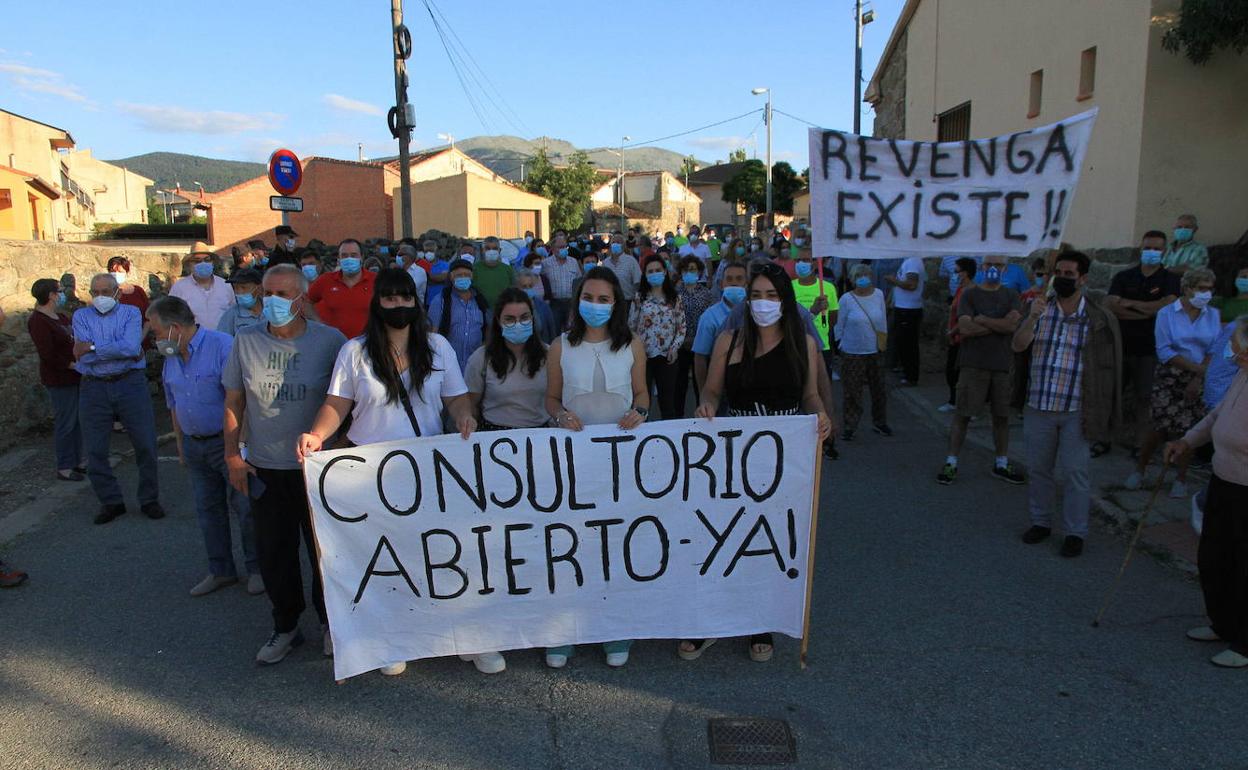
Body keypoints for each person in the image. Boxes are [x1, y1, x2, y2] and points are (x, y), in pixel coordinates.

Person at [297, 269, 486, 675]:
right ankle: (392, 638)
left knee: (439, 553)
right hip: (371, 469)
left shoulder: (437, 347)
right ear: (377, 302)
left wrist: (464, 416)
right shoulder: (355, 351)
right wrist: (317, 434)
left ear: (416, 301)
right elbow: (337, 404)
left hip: (425, 466)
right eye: (390, 298)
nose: (398, 305)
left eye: (405, 297)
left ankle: (460, 634)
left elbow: (456, 397)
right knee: (386, 557)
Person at [686, 261, 832, 663]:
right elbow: (711, 391)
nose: (763, 303)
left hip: (783, 460)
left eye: (771, 295)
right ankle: (711, 620)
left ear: (785, 300)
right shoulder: (729, 341)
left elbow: (810, 395)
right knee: (721, 538)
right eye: (756, 295)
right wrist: (706, 406)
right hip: (734, 455)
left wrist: (821, 415)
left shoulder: (803, 344)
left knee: (766, 543)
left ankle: (759, 622)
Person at [223, 264, 347, 665]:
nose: (271, 302)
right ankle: (286, 626)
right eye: (267, 294)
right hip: (266, 467)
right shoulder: (246, 340)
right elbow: (234, 401)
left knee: (325, 554)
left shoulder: (330, 341)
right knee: (275, 553)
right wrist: (232, 455)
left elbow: (347, 400)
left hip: (317, 469)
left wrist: (342, 448)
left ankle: (332, 623)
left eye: (282, 294)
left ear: (301, 298)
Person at [543, 266, 649, 669]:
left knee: (615, 542)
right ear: (578, 301)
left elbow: (642, 393)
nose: (596, 305)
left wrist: (640, 412)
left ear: (616, 303)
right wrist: (559, 416)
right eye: (589, 297)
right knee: (570, 541)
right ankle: (564, 631)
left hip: (620, 458)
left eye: (604, 299)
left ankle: (614, 628)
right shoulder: (560, 347)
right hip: (573, 459)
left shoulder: (632, 344)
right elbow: (551, 399)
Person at [148, 296, 262, 596]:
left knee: (245, 508)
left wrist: (238, 448)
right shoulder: (172, 356)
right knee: (207, 510)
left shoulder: (222, 346)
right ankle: (221, 570)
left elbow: (240, 400)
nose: (154, 339)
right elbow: (174, 403)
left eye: (156, 332)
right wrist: (181, 445)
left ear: (174, 328)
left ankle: (258, 569)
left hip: (226, 443)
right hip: (195, 445)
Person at [1013, 251, 1122, 558]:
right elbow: (1017, 346)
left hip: (1077, 408)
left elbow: (1108, 368)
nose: (1061, 278)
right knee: (1039, 469)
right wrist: (1032, 318)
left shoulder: (1098, 318)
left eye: (1069, 274)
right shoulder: (1038, 309)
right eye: (1058, 273)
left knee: (1075, 472)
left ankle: (1075, 532)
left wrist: (1104, 409)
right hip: (1039, 404)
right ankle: (1041, 522)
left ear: (1083, 279)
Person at [1165, 317, 1248, 667]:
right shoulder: (1242, 375)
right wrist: (1187, 441)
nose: (1233, 352)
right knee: (1215, 557)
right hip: (1223, 480)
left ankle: (1244, 644)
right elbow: (1217, 416)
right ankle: (1223, 624)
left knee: (1243, 566)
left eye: (1238, 347)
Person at [72, 273, 164, 524]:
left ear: (117, 293)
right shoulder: (81, 316)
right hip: (94, 387)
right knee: (95, 450)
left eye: (105, 291)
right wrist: (113, 349)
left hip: (129, 383)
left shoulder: (131, 313)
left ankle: (149, 499)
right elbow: (84, 356)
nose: (100, 297)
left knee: (145, 444)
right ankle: (111, 501)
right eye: (95, 292)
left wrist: (93, 347)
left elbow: (131, 347)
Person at [1128, 267, 1221, 498]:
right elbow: (1164, 350)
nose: (1206, 294)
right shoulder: (1167, 313)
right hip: (1170, 374)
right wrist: (1197, 369)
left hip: (1199, 376)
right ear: (1187, 288)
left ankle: (1180, 478)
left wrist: (1198, 377)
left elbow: (1214, 348)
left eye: (1210, 289)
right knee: (1158, 427)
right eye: (1201, 288)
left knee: (1189, 431)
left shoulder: (1213, 315)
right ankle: (1140, 469)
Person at [937, 254, 1025, 486]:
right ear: (982, 266)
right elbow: (965, 328)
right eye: (989, 264)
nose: (993, 268)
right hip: (973, 364)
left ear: (1005, 268)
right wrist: (999, 324)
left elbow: (1013, 325)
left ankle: (1001, 463)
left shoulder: (1011, 295)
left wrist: (982, 319)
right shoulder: (970, 294)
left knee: (1001, 417)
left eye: (999, 265)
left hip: (1001, 365)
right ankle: (951, 462)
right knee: (963, 414)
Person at [1106, 230, 1181, 458]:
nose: (1152, 252)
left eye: (1157, 248)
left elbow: (1166, 307)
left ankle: (1140, 445)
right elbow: (1111, 305)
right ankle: (1103, 439)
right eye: (1148, 248)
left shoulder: (1170, 279)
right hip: (1120, 346)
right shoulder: (1124, 276)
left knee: (1144, 398)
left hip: (1150, 348)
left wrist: (1129, 304)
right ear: (1141, 248)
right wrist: (1148, 311)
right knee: (1112, 395)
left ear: (1164, 251)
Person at [465, 287, 550, 431]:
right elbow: (470, 405)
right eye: (510, 319)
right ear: (499, 321)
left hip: (540, 434)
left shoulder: (549, 354)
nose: (518, 324)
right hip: (495, 434)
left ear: (532, 318)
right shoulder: (480, 358)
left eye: (524, 318)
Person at [28, 278, 84, 481]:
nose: (61, 294)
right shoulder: (38, 321)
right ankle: (65, 466)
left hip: (74, 375)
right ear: (51, 295)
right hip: (60, 378)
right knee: (66, 421)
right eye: (58, 291)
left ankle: (77, 460)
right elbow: (47, 354)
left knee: (77, 420)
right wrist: (71, 365)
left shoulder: (59, 317)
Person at [835, 264, 889, 441]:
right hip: (852, 351)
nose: (863, 278)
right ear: (853, 279)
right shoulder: (846, 299)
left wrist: (883, 342)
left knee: (879, 389)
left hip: (875, 349)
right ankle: (850, 425)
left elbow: (882, 320)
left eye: (865, 275)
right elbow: (839, 324)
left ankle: (880, 422)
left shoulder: (879, 295)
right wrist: (840, 344)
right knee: (852, 391)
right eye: (858, 276)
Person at [629, 255, 687, 420]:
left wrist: (674, 348)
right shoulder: (639, 298)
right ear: (645, 275)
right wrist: (635, 352)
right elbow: (631, 327)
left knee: (667, 403)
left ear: (665, 272)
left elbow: (681, 327)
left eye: (658, 270)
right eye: (650, 271)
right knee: (641, 404)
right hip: (643, 358)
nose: (654, 274)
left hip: (667, 357)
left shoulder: (675, 298)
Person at [693, 261, 750, 392]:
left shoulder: (756, 312)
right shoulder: (709, 317)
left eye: (739, 279)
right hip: (721, 387)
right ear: (721, 284)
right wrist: (704, 393)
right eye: (729, 279)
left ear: (747, 284)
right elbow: (700, 357)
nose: (734, 283)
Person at [428, 258, 490, 372]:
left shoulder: (480, 301)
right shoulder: (440, 301)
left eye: (466, 275)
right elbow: (433, 334)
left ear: (472, 276)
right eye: (459, 275)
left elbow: (487, 330)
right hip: (448, 366)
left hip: (475, 366)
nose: (463, 278)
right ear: (451, 277)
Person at [307, 239, 376, 339]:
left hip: (367, 343)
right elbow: (306, 301)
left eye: (353, 255)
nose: (349, 259)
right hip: (333, 344)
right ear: (338, 259)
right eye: (344, 255)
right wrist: (318, 322)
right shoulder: (326, 280)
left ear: (362, 257)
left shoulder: (376, 281)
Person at [675, 256, 715, 416]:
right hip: (680, 344)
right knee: (679, 384)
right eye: (685, 270)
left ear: (699, 272)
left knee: (701, 383)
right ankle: (678, 417)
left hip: (701, 345)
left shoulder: (706, 294)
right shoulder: (675, 293)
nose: (689, 272)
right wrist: (682, 339)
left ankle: (702, 414)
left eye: (692, 269)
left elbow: (710, 319)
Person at [791, 252, 839, 381]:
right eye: (798, 260)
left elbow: (833, 318)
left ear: (815, 263)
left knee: (823, 384)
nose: (800, 263)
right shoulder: (788, 287)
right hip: (796, 344)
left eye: (805, 260)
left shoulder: (828, 288)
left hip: (822, 345)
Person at [940, 258, 979, 413]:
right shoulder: (960, 289)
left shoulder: (971, 291)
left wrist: (952, 332)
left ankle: (966, 404)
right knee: (952, 371)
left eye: (957, 271)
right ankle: (954, 400)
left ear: (965, 273)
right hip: (955, 336)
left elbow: (967, 316)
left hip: (963, 337)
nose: (954, 275)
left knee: (961, 372)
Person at [170, 242, 235, 331]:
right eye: (197, 261)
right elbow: (171, 316)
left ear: (212, 262)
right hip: (192, 338)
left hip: (222, 337)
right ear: (189, 264)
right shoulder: (179, 288)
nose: (203, 263)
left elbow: (233, 313)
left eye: (207, 260)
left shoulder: (225, 285)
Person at [885, 255, 926, 385]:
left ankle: (911, 376)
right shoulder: (909, 261)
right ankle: (907, 371)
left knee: (908, 344)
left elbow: (912, 285)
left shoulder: (913, 261)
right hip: (904, 307)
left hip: (908, 309)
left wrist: (893, 280)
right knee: (903, 342)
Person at [541, 241, 583, 332]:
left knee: (571, 330)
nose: (563, 249)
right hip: (554, 303)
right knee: (554, 329)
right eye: (560, 247)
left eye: (565, 247)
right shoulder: (545, 263)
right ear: (552, 249)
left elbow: (578, 281)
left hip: (571, 303)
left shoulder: (573, 262)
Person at [216, 268, 264, 336]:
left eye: (244, 288)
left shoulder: (272, 310)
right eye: (236, 288)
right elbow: (222, 339)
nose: (239, 292)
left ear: (259, 288)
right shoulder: (231, 314)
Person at [515, 268, 557, 343]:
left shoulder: (543, 306)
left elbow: (551, 330)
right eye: (524, 287)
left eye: (530, 286)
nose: (528, 289)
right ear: (517, 288)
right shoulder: (512, 307)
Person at [473, 236, 516, 308]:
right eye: (487, 248)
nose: (491, 251)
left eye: (495, 248)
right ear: (482, 250)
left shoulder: (508, 269)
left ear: (500, 250)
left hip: (503, 310)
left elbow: (514, 291)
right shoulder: (474, 269)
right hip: (480, 310)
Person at [601, 234, 642, 300]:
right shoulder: (605, 263)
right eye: (613, 242)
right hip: (610, 301)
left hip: (627, 300)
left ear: (623, 245)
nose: (615, 244)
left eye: (618, 242)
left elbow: (637, 281)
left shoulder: (631, 261)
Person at [423, 238, 451, 304]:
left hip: (442, 301)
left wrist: (428, 276)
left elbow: (443, 278)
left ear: (436, 251)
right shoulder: (420, 265)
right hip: (426, 302)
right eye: (426, 251)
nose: (428, 253)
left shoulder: (445, 265)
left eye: (431, 251)